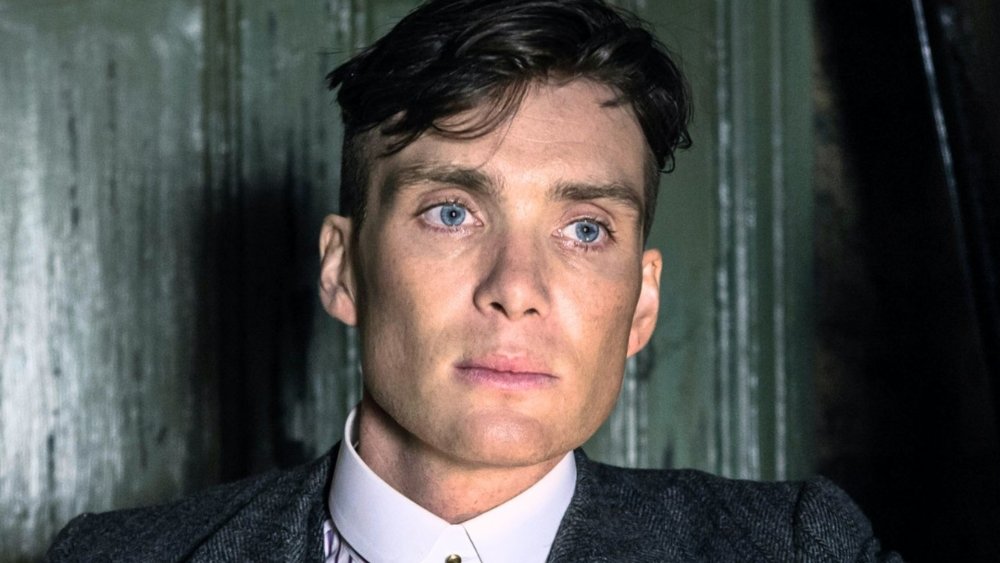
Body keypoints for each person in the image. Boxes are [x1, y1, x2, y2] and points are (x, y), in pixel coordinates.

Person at [46, 0, 901, 561]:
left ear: (641, 301)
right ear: (342, 268)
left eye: (585, 229)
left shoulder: (798, 548)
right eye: (452, 212)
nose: (515, 286)